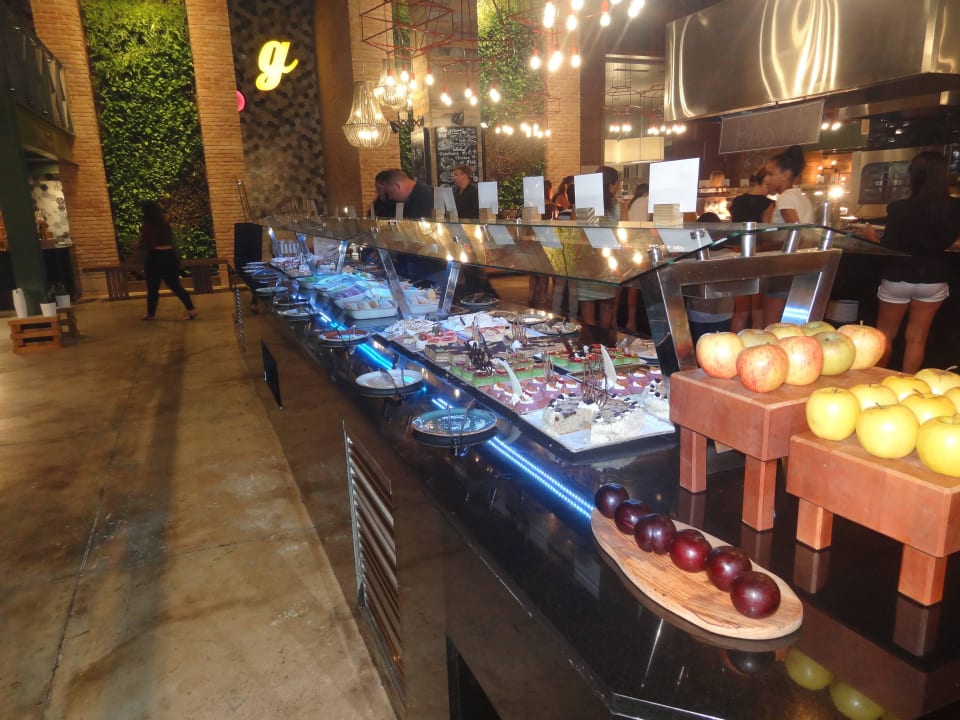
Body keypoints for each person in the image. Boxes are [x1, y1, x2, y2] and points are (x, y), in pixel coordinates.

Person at [863, 150, 960, 373]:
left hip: (898, 276)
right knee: (917, 338)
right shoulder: (955, 207)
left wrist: (871, 237)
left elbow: (889, 246)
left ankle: (875, 381)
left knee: (885, 335)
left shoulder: (899, 208)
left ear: (914, 175)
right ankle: (907, 384)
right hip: (934, 277)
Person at [760, 146, 813, 325]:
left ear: (785, 174)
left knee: (772, 325)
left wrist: (765, 246)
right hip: (802, 267)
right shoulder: (801, 197)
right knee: (794, 323)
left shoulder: (785, 198)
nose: (766, 179)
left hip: (784, 268)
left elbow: (795, 231)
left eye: (770, 173)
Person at [729, 169, 775, 331]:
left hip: (736, 252)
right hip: (756, 253)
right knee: (758, 310)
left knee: (740, 310)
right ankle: (756, 342)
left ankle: (735, 342)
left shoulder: (737, 200)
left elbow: (732, 225)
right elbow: (766, 232)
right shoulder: (768, 203)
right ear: (765, 183)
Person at [139, 201, 198, 321]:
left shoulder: (148, 225)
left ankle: (151, 313)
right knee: (175, 285)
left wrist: (140, 246)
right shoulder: (164, 223)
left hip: (155, 257)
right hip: (169, 255)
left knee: (152, 287)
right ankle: (191, 309)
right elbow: (171, 240)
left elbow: (150, 243)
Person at [578, 167, 621, 330]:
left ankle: (589, 342)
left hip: (586, 261)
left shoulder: (584, 206)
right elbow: (622, 235)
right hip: (607, 261)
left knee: (587, 307)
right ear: (611, 185)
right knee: (607, 306)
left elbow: (578, 234)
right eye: (617, 183)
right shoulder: (617, 206)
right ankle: (603, 342)